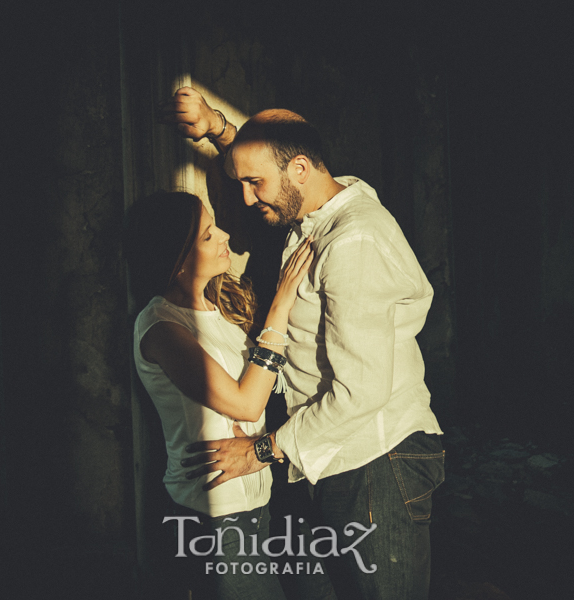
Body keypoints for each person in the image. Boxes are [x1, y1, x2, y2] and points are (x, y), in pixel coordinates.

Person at [160, 87, 445, 600]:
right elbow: (272, 153)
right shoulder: (319, 208)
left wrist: (262, 452)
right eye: (242, 182)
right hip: (335, 457)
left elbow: (360, 393)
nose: (246, 200)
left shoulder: (352, 241)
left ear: (299, 171)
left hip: (374, 463)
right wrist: (217, 127)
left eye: (255, 183)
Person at [124, 191, 314, 600]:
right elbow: (247, 402)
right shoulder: (159, 326)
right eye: (209, 235)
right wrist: (280, 306)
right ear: (177, 259)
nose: (224, 235)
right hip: (214, 513)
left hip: (257, 498)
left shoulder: (218, 309)